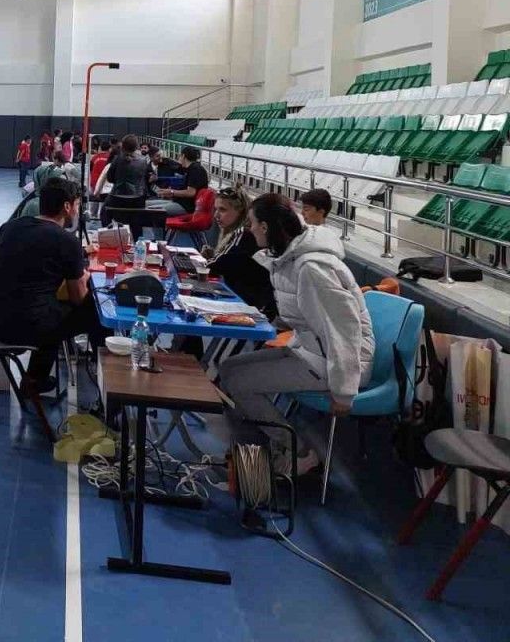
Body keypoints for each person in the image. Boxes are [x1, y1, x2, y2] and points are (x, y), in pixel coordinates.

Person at [217, 193, 375, 477]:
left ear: (265, 227)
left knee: (239, 383)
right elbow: (302, 311)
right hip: (310, 349)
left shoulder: (313, 269)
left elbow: (344, 330)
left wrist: (344, 390)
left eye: (252, 223)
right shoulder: (287, 256)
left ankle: (298, 452)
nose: (249, 229)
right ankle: (269, 449)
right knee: (227, 369)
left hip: (337, 364)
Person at [0, 177, 105, 394]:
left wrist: (10, 274)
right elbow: (77, 298)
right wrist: (84, 277)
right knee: (95, 310)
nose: (77, 210)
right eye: (76, 204)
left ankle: (35, 377)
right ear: (67, 206)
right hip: (26, 328)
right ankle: (104, 380)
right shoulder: (67, 241)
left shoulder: (12, 226)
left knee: (47, 307)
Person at [201, 186, 276, 319]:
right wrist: (213, 256)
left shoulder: (244, 234)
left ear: (240, 211)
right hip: (247, 299)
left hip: (251, 305)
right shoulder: (235, 233)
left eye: (222, 210)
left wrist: (209, 260)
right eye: (215, 209)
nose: (216, 215)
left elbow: (214, 268)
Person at [147, 147, 209, 216]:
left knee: (149, 210)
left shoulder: (195, 169)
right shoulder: (188, 168)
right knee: (146, 204)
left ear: (183, 156)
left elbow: (191, 192)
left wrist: (171, 192)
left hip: (186, 206)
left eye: (180, 156)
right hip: (179, 201)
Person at [104, 134, 151, 201]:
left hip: (117, 197)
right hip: (137, 198)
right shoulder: (143, 161)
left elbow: (110, 179)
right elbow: (144, 179)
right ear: (136, 147)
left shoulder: (116, 159)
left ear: (123, 146)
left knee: (104, 206)